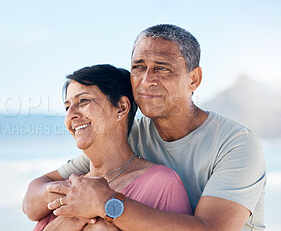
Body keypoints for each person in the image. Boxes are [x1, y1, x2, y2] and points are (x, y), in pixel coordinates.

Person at [23, 24, 266, 231]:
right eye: (138, 67)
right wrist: (70, 199)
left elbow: (210, 229)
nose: (147, 80)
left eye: (162, 68)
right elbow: (36, 193)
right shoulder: (131, 135)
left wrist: (107, 204)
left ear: (193, 79)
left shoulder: (237, 145)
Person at [32, 64, 192, 231]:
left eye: (83, 101)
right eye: (67, 107)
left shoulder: (162, 184)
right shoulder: (67, 191)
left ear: (121, 108)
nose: (71, 115)